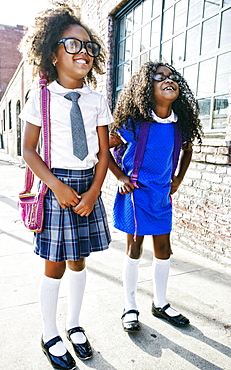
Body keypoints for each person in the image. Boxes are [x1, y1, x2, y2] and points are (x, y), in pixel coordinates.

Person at [19, 3, 112, 369]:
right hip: (57, 185)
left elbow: (104, 153)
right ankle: (50, 332)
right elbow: (28, 150)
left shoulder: (96, 100)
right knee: (54, 265)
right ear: (52, 53)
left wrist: (93, 193)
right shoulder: (40, 98)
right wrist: (56, 186)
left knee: (78, 261)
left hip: (88, 187)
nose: (83, 52)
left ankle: (74, 326)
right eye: (72, 45)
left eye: (88, 47)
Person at [109, 61, 202, 333]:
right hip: (136, 195)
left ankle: (159, 303)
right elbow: (103, 147)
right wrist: (120, 176)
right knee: (134, 249)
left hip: (161, 197)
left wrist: (178, 179)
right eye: (158, 77)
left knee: (164, 250)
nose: (167, 80)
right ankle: (129, 306)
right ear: (146, 88)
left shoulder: (178, 125)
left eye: (171, 77)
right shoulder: (134, 123)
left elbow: (187, 150)